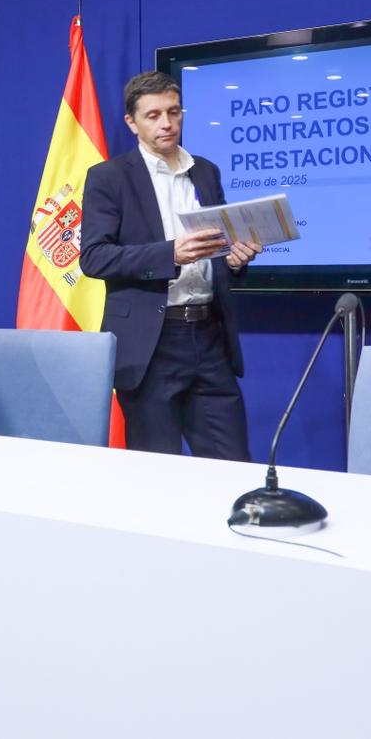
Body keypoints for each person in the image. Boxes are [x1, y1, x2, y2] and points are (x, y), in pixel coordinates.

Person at [80, 71, 261, 460]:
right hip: (151, 345)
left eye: (174, 112)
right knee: (156, 476)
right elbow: (93, 257)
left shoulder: (206, 172)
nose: (167, 123)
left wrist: (235, 258)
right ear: (131, 122)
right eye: (154, 115)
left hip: (210, 337)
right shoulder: (109, 178)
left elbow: (219, 252)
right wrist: (170, 254)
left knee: (233, 466)